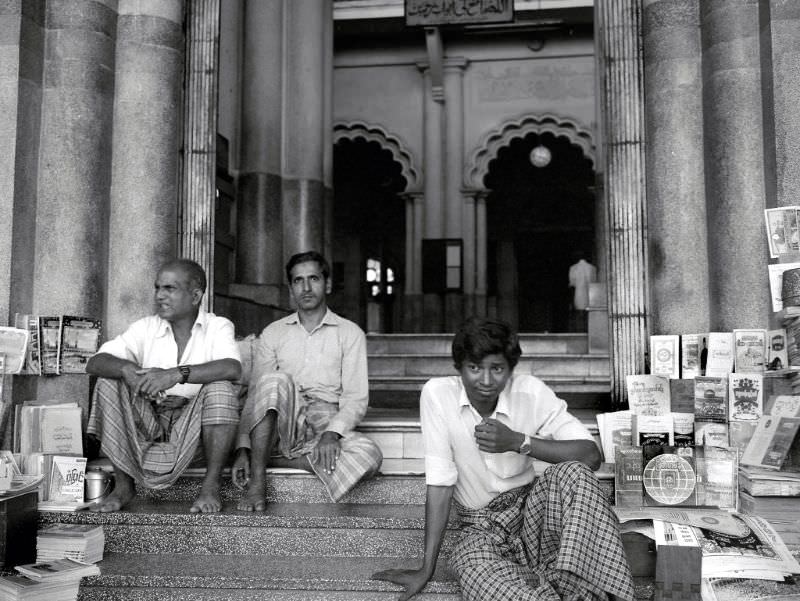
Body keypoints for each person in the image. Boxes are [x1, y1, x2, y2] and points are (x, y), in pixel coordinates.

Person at [373, 317, 634, 601]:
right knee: (476, 575)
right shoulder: (438, 394)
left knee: (575, 473)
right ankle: (566, 591)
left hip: (534, 516)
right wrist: (426, 568)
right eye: (474, 368)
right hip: (480, 528)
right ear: (458, 368)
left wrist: (519, 442)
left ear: (510, 370)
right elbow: (440, 482)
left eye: (497, 369)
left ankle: (598, 590)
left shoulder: (530, 391)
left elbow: (590, 455)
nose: (485, 380)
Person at [86, 259, 242, 513]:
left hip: (196, 433)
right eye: (158, 288)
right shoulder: (145, 327)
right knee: (108, 382)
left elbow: (232, 367)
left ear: (195, 295)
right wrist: (127, 370)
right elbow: (95, 362)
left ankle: (210, 486)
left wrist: (176, 375)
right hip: (151, 424)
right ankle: (124, 486)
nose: (160, 296)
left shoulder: (217, 326)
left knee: (220, 389)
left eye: (169, 288)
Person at [233, 250, 382, 510]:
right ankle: (258, 481)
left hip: (327, 416)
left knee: (369, 454)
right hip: (285, 420)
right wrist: (242, 447)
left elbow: (356, 398)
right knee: (274, 381)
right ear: (291, 287)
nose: (306, 287)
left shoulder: (350, 333)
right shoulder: (274, 333)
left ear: (327, 284)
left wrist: (332, 434)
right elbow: (257, 396)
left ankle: (267, 459)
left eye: (313, 278)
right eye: (298, 280)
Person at [568, 250, 597, 332]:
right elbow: (595, 283)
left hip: (578, 295)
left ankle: (580, 331)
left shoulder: (573, 268)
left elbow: (572, 284)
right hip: (591, 295)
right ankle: (589, 331)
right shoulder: (592, 268)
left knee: (579, 315)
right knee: (589, 315)